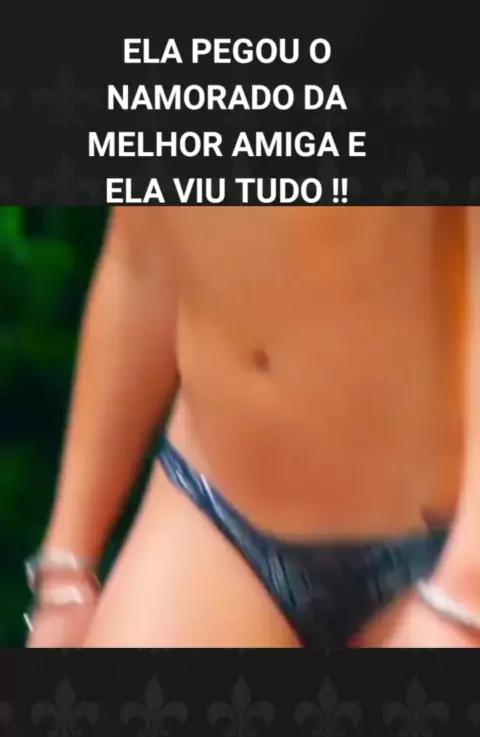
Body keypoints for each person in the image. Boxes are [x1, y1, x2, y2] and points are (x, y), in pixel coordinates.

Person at [25, 206, 480, 648]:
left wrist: (465, 591)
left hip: (445, 542)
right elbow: (141, 261)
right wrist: (66, 568)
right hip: (216, 511)